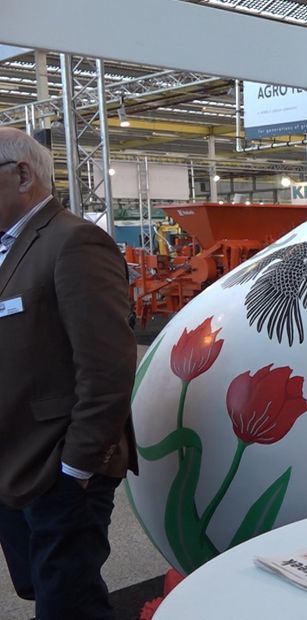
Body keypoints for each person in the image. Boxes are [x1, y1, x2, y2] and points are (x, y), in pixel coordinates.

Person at [0, 127, 138, 619]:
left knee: (67, 600)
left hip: (60, 465)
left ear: (21, 174)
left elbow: (107, 367)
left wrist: (76, 468)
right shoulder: (12, 249)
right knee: (47, 586)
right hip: (17, 462)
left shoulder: (74, 241)